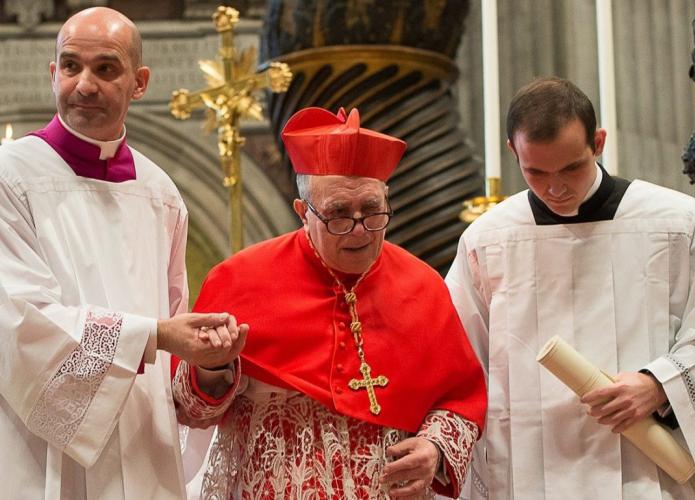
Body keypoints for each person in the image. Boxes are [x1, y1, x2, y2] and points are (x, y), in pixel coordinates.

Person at [446, 77, 695, 499]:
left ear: (599, 142)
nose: (556, 188)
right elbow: (458, 365)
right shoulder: (487, 241)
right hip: (528, 474)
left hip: (648, 471)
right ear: (513, 152)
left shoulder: (677, 223)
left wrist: (658, 384)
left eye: (571, 167)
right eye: (535, 172)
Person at [172, 106, 487, 499]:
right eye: (338, 214)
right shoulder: (239, 281)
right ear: (303, 213)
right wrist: (214, 366)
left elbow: (460, 399)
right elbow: (187, 408)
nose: (359, 230)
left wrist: (433, 449)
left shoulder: (422, 285)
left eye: (372, 212)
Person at [0, 7, 246, 500]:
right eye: (70, 66)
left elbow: (178, 333)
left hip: (144, 447)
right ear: (53, 74)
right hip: (39, 451)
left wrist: (209, 367)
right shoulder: (12, 175)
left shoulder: (161, 194)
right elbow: (21, 322)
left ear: (139, 82)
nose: (84, 84)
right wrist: (153, 337)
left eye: (105, 69)